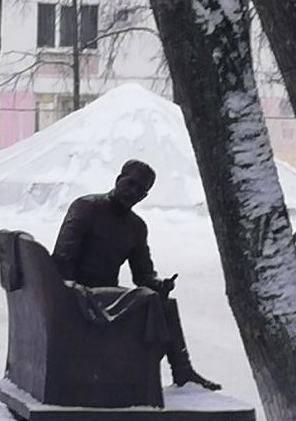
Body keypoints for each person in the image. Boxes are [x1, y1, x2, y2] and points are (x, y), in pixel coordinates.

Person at [52, 159, 222, 391]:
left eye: (141, 190)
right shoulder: (87, 207)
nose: (133, 192)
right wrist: (71, 291)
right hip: (78, 294)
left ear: (144, 197)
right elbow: (63, 257)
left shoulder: (136, 227)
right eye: (130, 184)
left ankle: (182, 371)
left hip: (109, 298)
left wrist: (159, 284)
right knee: (149, 301)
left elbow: (142, 275)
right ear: (118, 180)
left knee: (165, 304)